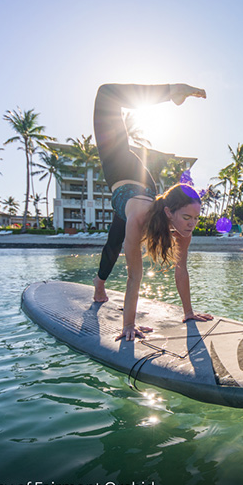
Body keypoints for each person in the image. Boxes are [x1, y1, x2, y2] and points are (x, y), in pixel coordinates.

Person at [91, 83, 213, 341]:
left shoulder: (182, 228)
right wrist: (128, 324)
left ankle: (99, 285)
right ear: (169, 212)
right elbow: (134, 275)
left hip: (146, 186)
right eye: (187, 217)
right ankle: (171, 90)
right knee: (106, 94)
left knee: (114, 241)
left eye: (196, 218)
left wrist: (188, 312)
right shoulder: (138, 219)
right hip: (123, 171)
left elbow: (182, 270)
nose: (192, 225)